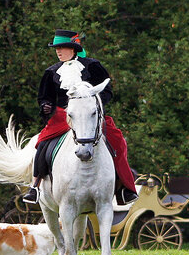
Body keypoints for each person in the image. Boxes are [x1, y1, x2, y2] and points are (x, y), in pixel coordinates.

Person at [20, 29, 139, 206]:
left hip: (91, 115)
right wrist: (46, 107)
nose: (58, 52)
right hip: (62, 116)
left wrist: (94, 106)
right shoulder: (51, 72)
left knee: (118, 141)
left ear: (73, 48)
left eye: (62, 48)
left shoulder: (93, 66)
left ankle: (125, 188)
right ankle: (35, 186)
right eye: (56, 49)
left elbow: (107, 92)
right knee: (42, 144)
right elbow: (44, 97)